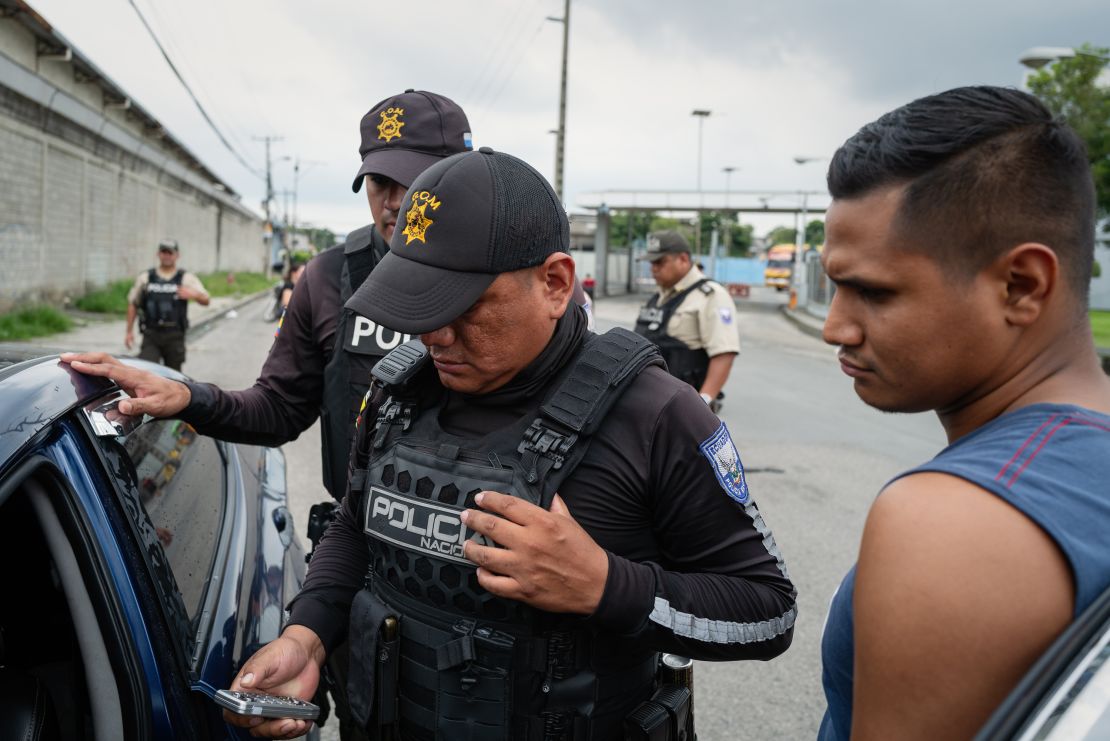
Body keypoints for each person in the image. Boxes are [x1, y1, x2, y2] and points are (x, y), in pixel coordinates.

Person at [223, 148, 797, 740]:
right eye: (420, 304)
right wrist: (308, 634)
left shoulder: (658, 415)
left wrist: (605, 585)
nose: (434, 335)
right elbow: (356, 522)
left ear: (554, 283)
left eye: (463, 307)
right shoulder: (400, 387)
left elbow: (768, 610)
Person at [64, 89, 476, 741]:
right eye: (379, 180)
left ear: (462, 174)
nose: (394, 199)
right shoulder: (328, 279)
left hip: (493, 579)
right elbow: (278, 408)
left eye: (413, 178)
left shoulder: (514, 273)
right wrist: (187, 396)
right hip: (369, 567)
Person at [817, 86, 1110, 740]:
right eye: (835, 286)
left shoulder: (950, 520)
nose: (835, 327)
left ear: (1022, 286)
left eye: (872, 291)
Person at [634, 230, 739, 409]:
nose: (654, 268)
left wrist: (703, 403)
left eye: (660, 261)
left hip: (682, 407)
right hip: (651, 404)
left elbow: (724, 353)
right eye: (652, 262)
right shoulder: (659, 296)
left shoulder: (711, 296)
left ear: (682, 259)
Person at [124, 239, 209, 370]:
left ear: (177, 255)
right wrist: (129, 332)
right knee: (146, 371)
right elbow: (133, 304)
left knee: (173, 378)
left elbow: (206, 300)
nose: (167, 255)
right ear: (158, 254)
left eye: (170, 252)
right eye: (164, 252)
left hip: (175, 336)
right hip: (151, 334)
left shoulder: (186, 278)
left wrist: (194, 295)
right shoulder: (146, 277)